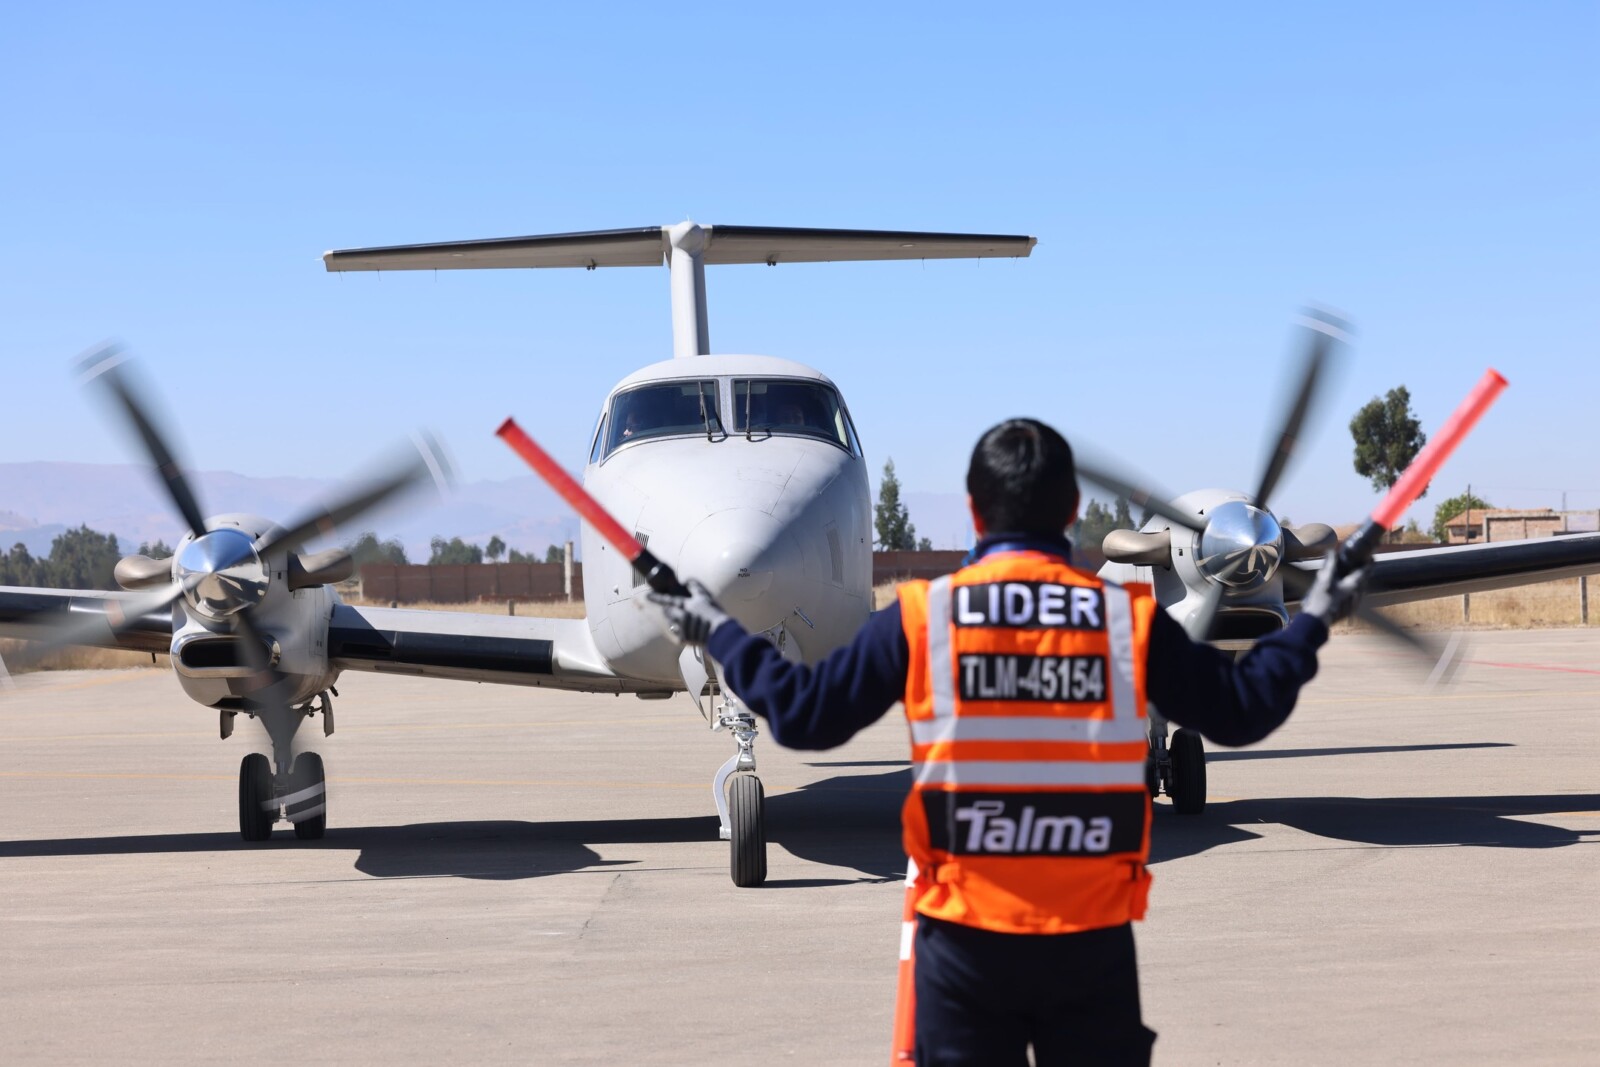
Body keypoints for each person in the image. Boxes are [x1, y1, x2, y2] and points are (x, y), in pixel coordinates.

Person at [648, 418, 1366, 1066]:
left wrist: (715, 626)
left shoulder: (923, 617)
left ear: (972, 510)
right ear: (1073, 512)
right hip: (1091, 949)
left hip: (964, 950)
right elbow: (1245, 709)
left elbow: (803, 715)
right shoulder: (1124, 621)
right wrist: (1315, 617)